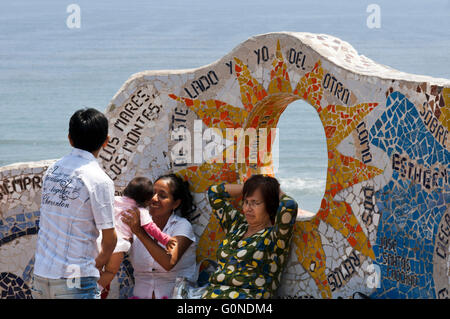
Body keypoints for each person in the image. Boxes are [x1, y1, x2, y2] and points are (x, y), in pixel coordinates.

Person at [31, 108, 117, 299]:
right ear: (106, 141)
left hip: (41, 274)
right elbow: (110, 239)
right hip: (74, 277)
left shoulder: (53, 170)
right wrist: (94, 265)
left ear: (70, 138)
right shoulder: (99, 180)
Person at [201, 174, 298, 299]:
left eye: (255, 203)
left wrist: (273, 189)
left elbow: (289, 206)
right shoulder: (236, 226)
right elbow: (214, 193)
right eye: (246, 202)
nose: (247, 208)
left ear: (270, 205)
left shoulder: (275, 237)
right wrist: (249, 187)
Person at [97, 176, 177, 296]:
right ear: (146, 201)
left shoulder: (114, 200)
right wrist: (165, 239)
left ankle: (87, 289)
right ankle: (95, 290)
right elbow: (151, 229)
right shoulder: (139, 211)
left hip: (101, 240)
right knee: (110, 271)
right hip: (118, 245)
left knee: (96, 267)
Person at [121, 173, 197, 299]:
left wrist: (139, 232)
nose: (154, 199)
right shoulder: (136, 221)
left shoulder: (182, 226)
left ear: (175, 204)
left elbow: (168, 262)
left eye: (162, 196)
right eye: (152, 193)